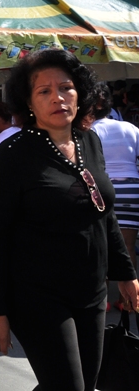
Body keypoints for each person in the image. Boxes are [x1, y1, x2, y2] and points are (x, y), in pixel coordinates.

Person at [0, 49, 139, 391]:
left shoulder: (89, 141)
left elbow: (103, 214)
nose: (58, 98)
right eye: (44, 91)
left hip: (92, 292)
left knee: (84, 382)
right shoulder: (13, 154)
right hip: (37, 296)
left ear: (80, 93)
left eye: (65, 88)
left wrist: (126, 273)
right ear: (29, 102)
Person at [91, 82, 139, 303]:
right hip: (132, 188)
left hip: (103, 190)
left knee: (101, 245)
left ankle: (103, 301)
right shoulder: (130, 128)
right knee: (127, 246)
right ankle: (128, 299)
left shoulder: (89, 131)